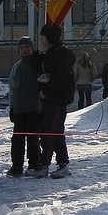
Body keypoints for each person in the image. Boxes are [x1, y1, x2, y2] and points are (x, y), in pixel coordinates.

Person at [35, 23, 75, 179]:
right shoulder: (50, 53)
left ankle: (58, 164)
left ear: (49, 37)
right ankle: (48, 164)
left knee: (53, 132)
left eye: (43, 36)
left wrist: (47, 85)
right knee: (49, 131)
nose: (41, 39)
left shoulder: (60, 55)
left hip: (56, 100)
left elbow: (61, 79)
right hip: (50, 99)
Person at [7, 36, 42, 177]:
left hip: (34, 109)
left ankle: (34, 164)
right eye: (22, 48)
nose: (25, 50)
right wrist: (12, 108)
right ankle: (17, 166)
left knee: (33, 139)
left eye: (27, 47)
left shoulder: (38, 65)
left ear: (32, 48)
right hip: (19, 110)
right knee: (17, 140)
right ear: (19, 50)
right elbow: (12, 89)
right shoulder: (16, 67)